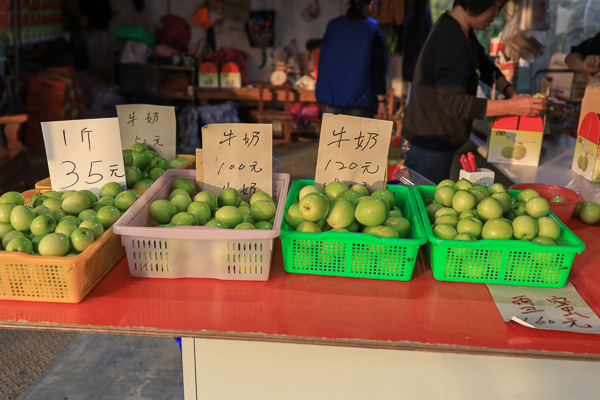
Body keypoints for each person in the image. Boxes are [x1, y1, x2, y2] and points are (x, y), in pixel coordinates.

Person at [400, 0, 546, 184]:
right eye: (496, 5)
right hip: (429, 145)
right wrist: (513, 106)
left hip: (429, 138)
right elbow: (455, 103)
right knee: (425, 207)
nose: (497, 13)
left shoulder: (459, 30)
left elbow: (485, 66)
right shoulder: (451, 40)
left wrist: (510, 92)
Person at [315, 0, 388, 120]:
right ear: (370, 4)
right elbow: (378, 68)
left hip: (331, 98)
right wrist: (381, 101)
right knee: (355, 139)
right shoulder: (372, 28)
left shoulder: (333, 25)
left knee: (332, 139)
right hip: (359, 101)